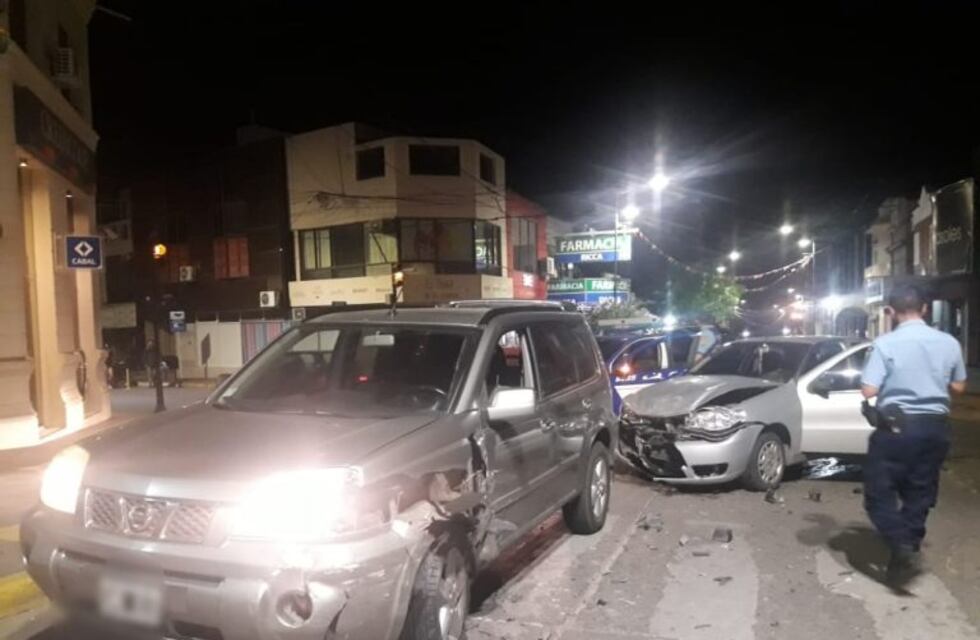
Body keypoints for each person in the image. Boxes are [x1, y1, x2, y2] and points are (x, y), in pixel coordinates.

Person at [860, 285, 967, 586]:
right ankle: (908, 546)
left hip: (896, 428)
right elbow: (959, 387)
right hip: (935, 427)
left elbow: (869, 389)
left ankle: (900, 544)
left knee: (879, 493)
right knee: (919, 490)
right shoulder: (949, 343)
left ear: (891, 312)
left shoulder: (885, 344)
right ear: (925, 309)